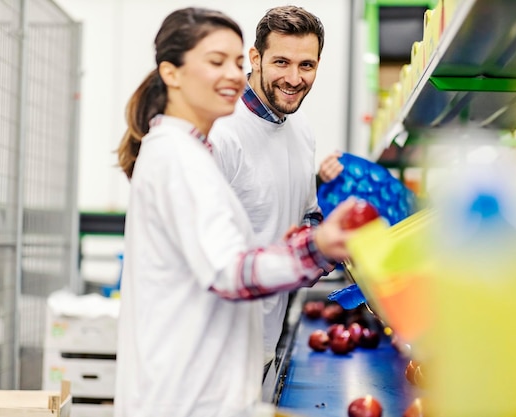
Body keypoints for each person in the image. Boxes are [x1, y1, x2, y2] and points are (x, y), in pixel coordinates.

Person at [114, 7, 357, 417]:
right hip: (184, 383)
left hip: (231, 362)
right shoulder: (182, 158)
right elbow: (230, 270)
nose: (231, 74)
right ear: (172, 73)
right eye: (215, 62)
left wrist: (327, 211)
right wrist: (318, 247)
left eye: (234, 63)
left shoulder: (192, 148)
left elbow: (279, 224)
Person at [209, 5, 333, 378]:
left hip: (264, 342)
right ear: (255, 58)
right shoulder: (222, 132)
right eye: (281, 62)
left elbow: (305, 215)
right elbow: (209, 259)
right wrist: (316, 253)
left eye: (307, 66)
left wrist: (332, 210)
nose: (294, 78)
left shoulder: (302, 130)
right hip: (215, 352)